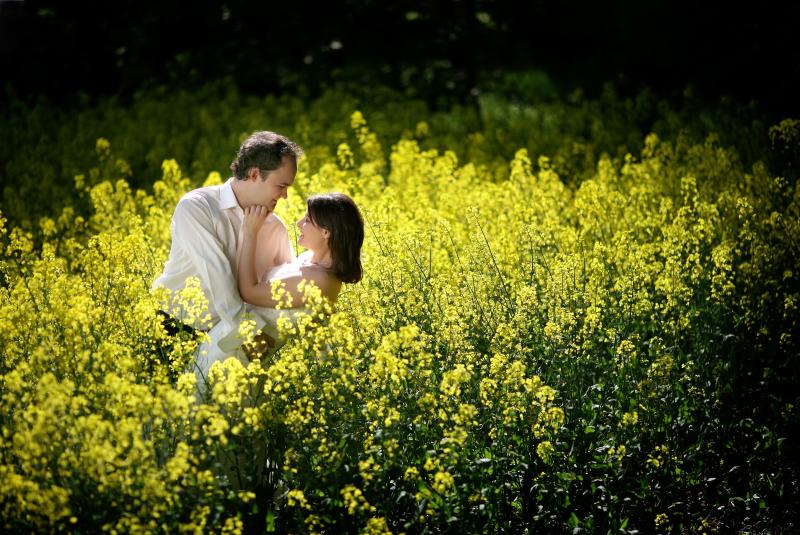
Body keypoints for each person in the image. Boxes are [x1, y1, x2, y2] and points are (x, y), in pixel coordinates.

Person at [153, 130, 303, 371]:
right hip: (175, 329)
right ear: (255, 174)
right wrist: (250, 333)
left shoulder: (276, 228)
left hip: (231, 340)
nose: (285, 196)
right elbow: (218, 273)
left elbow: (284, 289)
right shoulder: (197, 207)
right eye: (281, 186)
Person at [191, 192, 364, 392]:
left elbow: (248, 292)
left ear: (326, 232)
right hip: (231, 338)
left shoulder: (320, 280)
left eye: (307, 220)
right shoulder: (310, 260)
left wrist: (250, 232)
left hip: (238, 359)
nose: (299, 224)